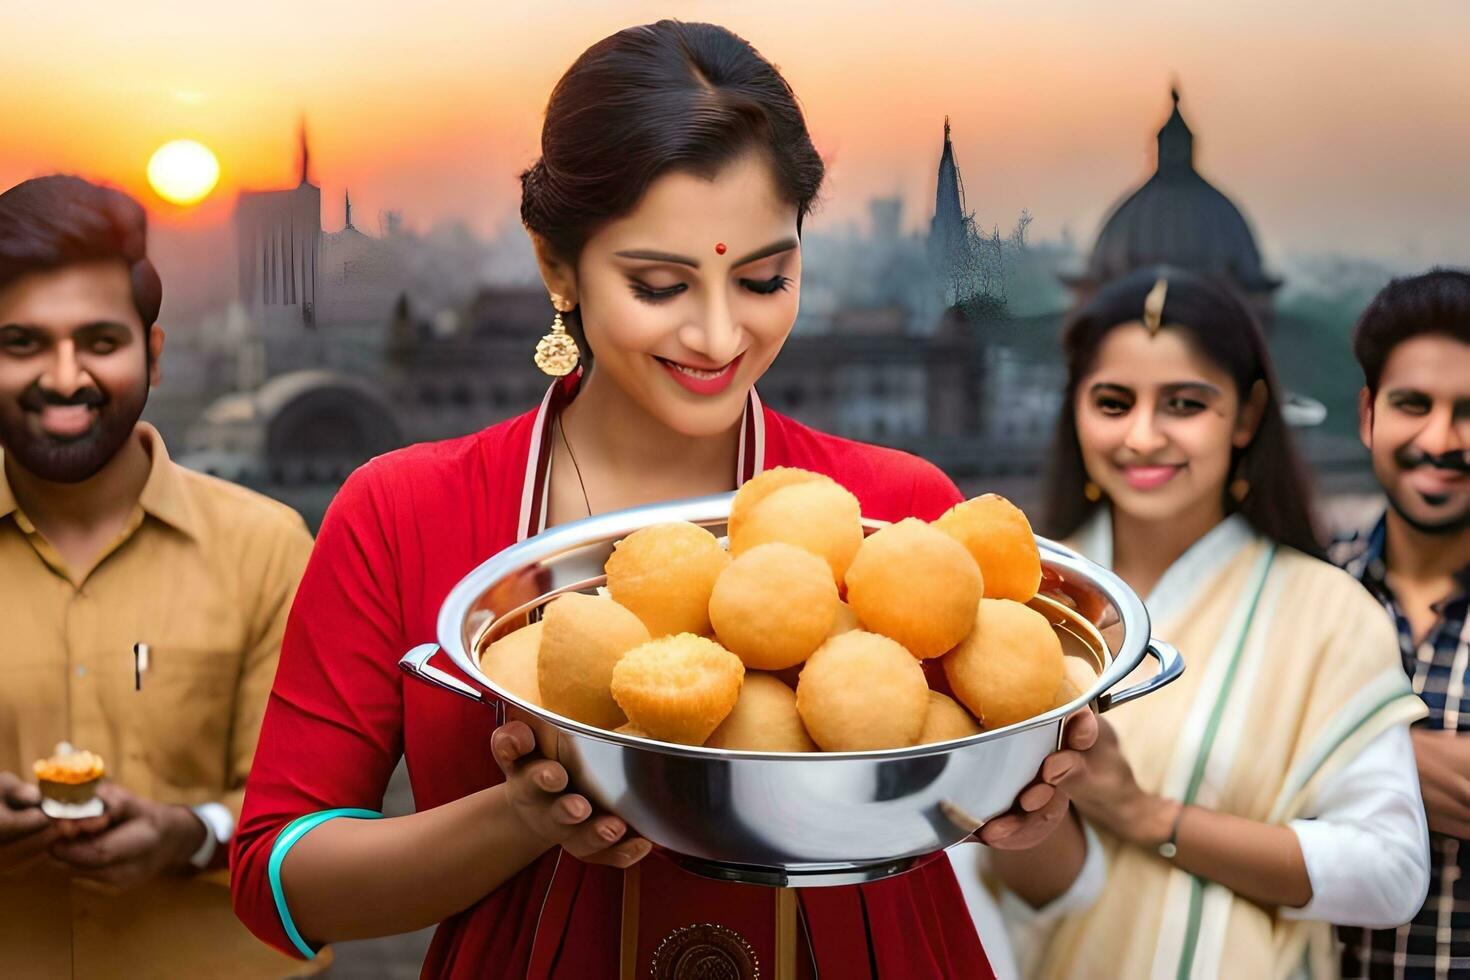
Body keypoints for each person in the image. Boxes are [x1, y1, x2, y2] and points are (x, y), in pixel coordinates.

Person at [229, 20, 1094, 979]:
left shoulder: (898, 514)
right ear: (557, 266)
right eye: (658, 284)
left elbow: (1014, 837)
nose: (720, 335)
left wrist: (1023, 789)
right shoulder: (406, 509)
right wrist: (524, 815)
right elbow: (279, 879)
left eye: (764, 277)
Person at [1013, 266, 1430, 979]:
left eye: (1184, 404)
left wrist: (1145, 815)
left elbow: (1391, 872)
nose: (1143, 437)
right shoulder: (1026, 598)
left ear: (1246, 414)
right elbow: (998, 882)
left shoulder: (1327, 611)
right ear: (1074, 411)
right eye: (1113, 403)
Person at [0, 176, 316, 976]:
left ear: (156, 354)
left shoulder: (267, 547)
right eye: (23, 343)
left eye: (100, 342)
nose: (64, 379)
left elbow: (311, 807)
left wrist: (192, 832)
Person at [1331, 269, 1470, 979]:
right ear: (1368, 415)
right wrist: (1392, 762)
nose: (1442, 440)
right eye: (1413, 404)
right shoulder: (1309, 595)